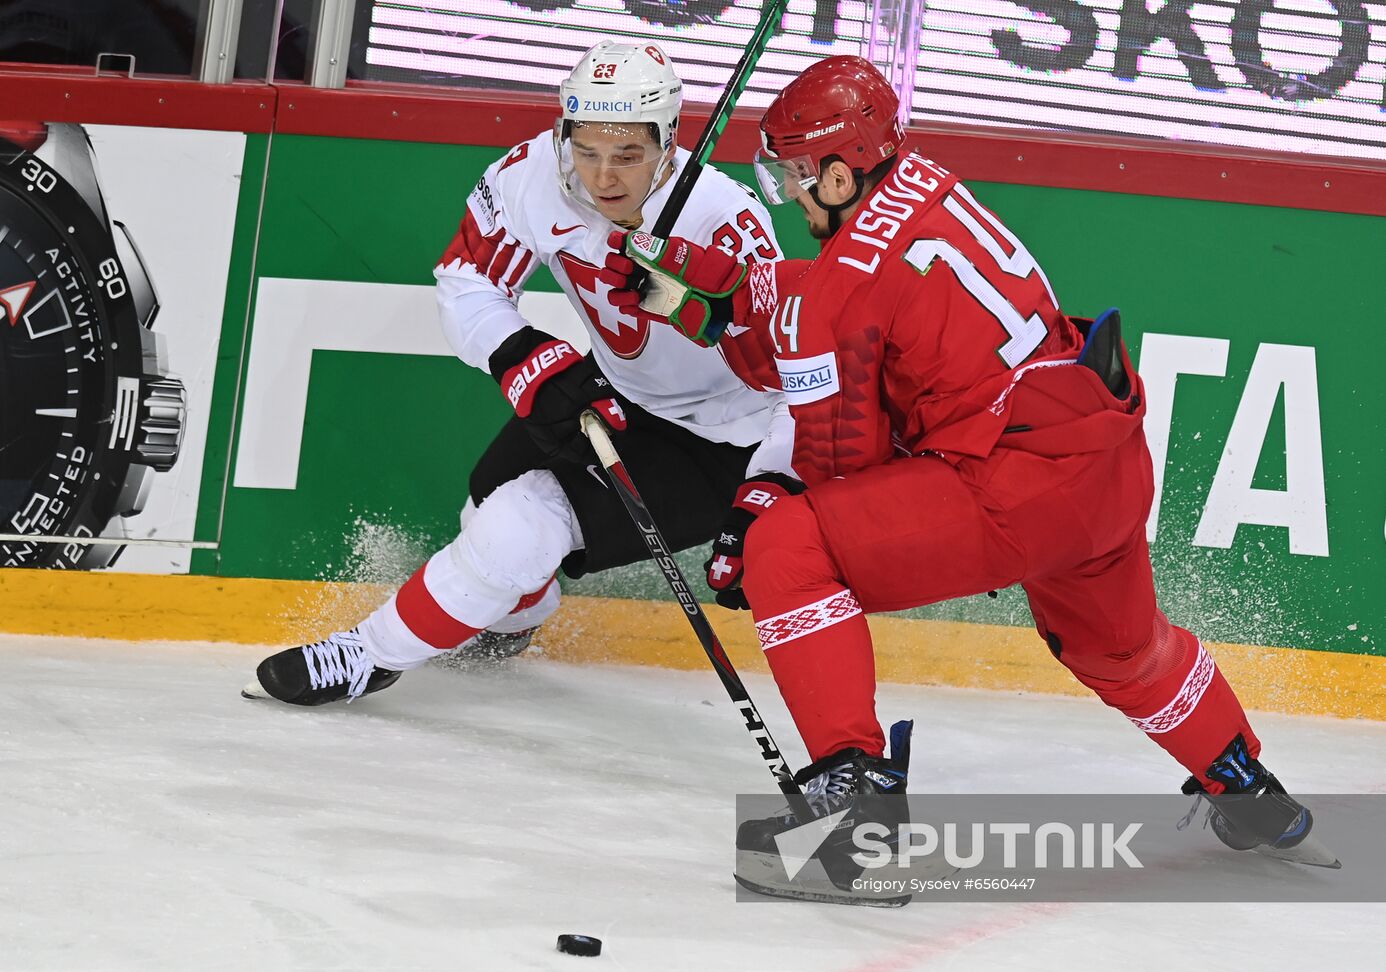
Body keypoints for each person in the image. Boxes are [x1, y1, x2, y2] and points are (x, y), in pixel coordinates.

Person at [602, 55, 1332, 901]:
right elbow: (841, 296)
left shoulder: (839, 286)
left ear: (841, 172)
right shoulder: (922, 183)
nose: (792, 196)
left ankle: (857, 823)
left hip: (1010, 483)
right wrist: (710, 294)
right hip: (1101, 456)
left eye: (799, 177)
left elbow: (842, 457)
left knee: (791, 546)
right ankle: (1243, 785)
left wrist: (755, 508)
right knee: (1118, 648)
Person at [243, 40, 789, 705]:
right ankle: (516, 619)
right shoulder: (531, 174)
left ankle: (366, 656)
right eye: (586, 150)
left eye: (628, 155)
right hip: (621, 390)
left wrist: (769, 487)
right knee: (482, 506)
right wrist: (520, 354)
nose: (603, 177)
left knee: (517, 526)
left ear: (668, 144)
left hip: (722, 440)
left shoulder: (725, 222)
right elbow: (467, 277)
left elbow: (793, 371)